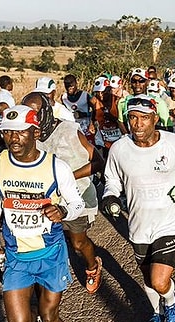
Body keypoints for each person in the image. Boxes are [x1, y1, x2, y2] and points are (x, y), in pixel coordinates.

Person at [0, 104, 85, 322]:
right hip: (17, 255)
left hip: (50, 254)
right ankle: (39, 319)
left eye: (20, 133)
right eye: (8, 133)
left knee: (51, 314)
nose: (14, 139)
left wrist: (63, 212)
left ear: (35, 132)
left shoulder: (56, 167)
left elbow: (78, 203)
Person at [101, 95, 175, 322]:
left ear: (155, 119)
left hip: (169, 221)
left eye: (144, 118)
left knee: (159, 280)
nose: (137, 124)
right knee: (147, 277)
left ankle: (171, 302)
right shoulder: (120, 149)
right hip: (138, 224)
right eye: (133, 118)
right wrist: (110, 196)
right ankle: (156, 313)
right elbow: (112, 180)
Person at [23, 92, 105, 294]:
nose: (31, 118)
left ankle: (93, 266)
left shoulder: (68, 131)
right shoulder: (27, 135)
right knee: (58, 239)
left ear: (46, 112)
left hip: (79, 196)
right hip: (48, 202)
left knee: (78, 242)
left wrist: (67, 177)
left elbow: (98, 162)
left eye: (35, 112)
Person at [117, 68, 172, 134]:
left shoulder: (158, 102)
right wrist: (128, 137)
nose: (137, 84)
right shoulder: (123, 102)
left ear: (148, 82)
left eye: (141, 81)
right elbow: (121, 121)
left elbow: (168, 127)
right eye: (134, 81)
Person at [61, 74, 95, 142]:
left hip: (86, 128)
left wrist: (84, 115)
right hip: (72, 128)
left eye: (71, 86)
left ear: (76, 84)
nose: (69, 88)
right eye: (67, 86)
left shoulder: (85, 95)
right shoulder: (64, 98)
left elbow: (95, 110)